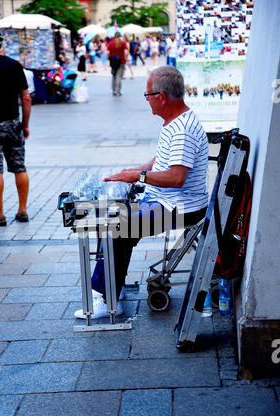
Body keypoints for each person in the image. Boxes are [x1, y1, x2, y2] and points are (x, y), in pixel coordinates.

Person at [74, 65, 209, 319]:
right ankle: (113, 287)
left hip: (178, 209)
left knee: (116, 226)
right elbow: (162, 160)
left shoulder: (181, 130)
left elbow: (177, 177)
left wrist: (138, 176)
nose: (146, 100)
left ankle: (105, 299)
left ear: (161, 97)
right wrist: (136, 170)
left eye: (147, 95)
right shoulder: (175, 121)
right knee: (114, 217)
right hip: (167, 202)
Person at [0, 25, 31, 226]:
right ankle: (22, 210)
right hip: (14, 124)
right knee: (19, 167)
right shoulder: (15, 65)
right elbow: (26, 99)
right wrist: (25, 125)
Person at [107, 32, 128, 97]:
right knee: (119, 76)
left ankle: (114, 90)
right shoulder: (123, 43)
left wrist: (109, 58)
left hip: (113, 61)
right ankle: (118, 91)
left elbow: (108, 52)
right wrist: (125, 58)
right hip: (121, 61)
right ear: (120, 36)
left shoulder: (111, 43)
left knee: (114, 76)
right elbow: (126, 52)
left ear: (114, 36)